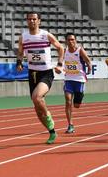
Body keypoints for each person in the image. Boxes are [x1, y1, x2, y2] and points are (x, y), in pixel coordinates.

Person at [16, 11, 64, 144]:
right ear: (27, 21)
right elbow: (20, 52)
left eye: (34, 19)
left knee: (37, 97)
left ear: (39, 21)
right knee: (37, 109)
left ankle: (49, 118)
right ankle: (52, 131)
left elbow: (60, 48)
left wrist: (60, 64)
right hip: (32, 74)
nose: (32, 21)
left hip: (46, 72)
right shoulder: (24, 37)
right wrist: (19, 63)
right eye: (29, 19)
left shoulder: (45, 35)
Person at [63, 33, 92, 133]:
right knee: (68, 101)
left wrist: (89, 67)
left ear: (75, 40)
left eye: (73, 39)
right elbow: (59, 60)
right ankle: (70, 125)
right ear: (66, 41)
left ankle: (80, 95)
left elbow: (88, 60)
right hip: (69, 79)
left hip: (79, 79)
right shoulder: (64, 51)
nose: (71, 41)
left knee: (76, 105)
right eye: (69, 40)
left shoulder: (80, 50)